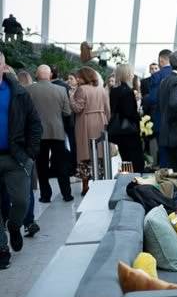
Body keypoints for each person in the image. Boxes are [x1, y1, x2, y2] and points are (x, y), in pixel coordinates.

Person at [0, 55, 42, 269]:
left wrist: (30, 153)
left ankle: (15, 226)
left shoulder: (18, 92)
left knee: (21, 201)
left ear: (3, 66)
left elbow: (35, 123)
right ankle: (2, 249)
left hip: (16, 156)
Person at [27, 65, 73, 202]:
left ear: (36, 74)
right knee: (61, 164)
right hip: (57, 132)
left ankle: (45, 195)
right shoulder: (61, 90)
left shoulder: (28, 90)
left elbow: (26, 112)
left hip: (37, 134)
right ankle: (66, 194)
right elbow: (67, 112)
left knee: (41, 166)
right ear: (50, 75)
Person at [71, 67, 110, 196]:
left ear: (84, 77)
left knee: (85, 155)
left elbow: (78, 108)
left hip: (86, 123)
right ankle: (101, 182)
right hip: (101, 120)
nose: (77, 79)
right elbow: (107, 108)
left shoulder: (81, 89)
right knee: (100, 153)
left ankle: (85, 186)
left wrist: (70, 97)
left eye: (79, 76)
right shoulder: (101, 89)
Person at [108, 64, 144, 174]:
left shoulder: (114, 90)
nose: (133, 75)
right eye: (131, 72)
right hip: (129, 131)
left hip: (119, 130)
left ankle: (127, 183)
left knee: (126, 160)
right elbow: (129, 112)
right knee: (136, 162)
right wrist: (138, 114)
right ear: (127, 74)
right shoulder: (127, 91)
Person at [146, 49, 174, 167]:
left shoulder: (157, 76)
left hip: (161, 118)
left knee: (164, 153)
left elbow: (153, 98)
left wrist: (144, 98)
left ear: (161, 60)